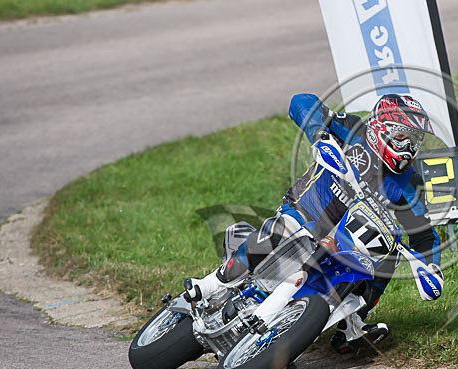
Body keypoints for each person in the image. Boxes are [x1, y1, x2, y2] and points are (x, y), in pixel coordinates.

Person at [184, 93, 443, 353]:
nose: (409, 147)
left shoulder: (410, 183)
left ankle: (352, 324)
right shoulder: (354, 130)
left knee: (389, 256)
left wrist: (429, 266)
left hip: (347, 241)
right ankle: (210, 285)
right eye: (402, 136)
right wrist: (319, 134)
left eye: (414, 140)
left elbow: (423, 235)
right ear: (381, 130)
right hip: (305, 212)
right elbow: (301, 102)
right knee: (283, 228)